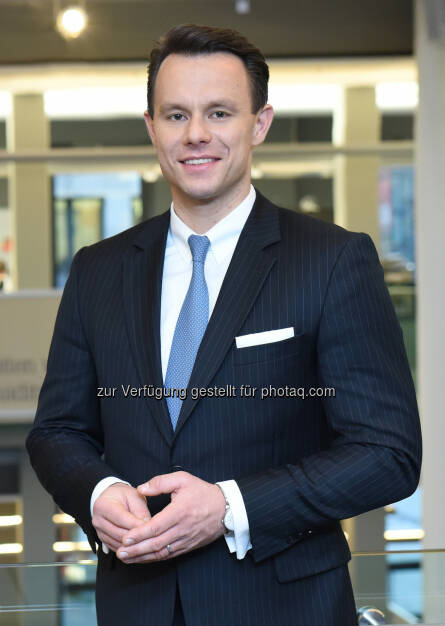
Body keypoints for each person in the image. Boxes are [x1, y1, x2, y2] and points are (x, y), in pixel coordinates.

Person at [26, 24, 422, 626]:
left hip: (284, 606)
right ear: (151, 127)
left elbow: (388, 452)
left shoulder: (332, 259)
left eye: (219, 112)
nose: (197, 135)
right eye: (176, 115)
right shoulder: (97, 270)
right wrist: (99, 494)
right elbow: (57, 431)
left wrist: (231, 506)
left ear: (259, 123)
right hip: (137, 605)